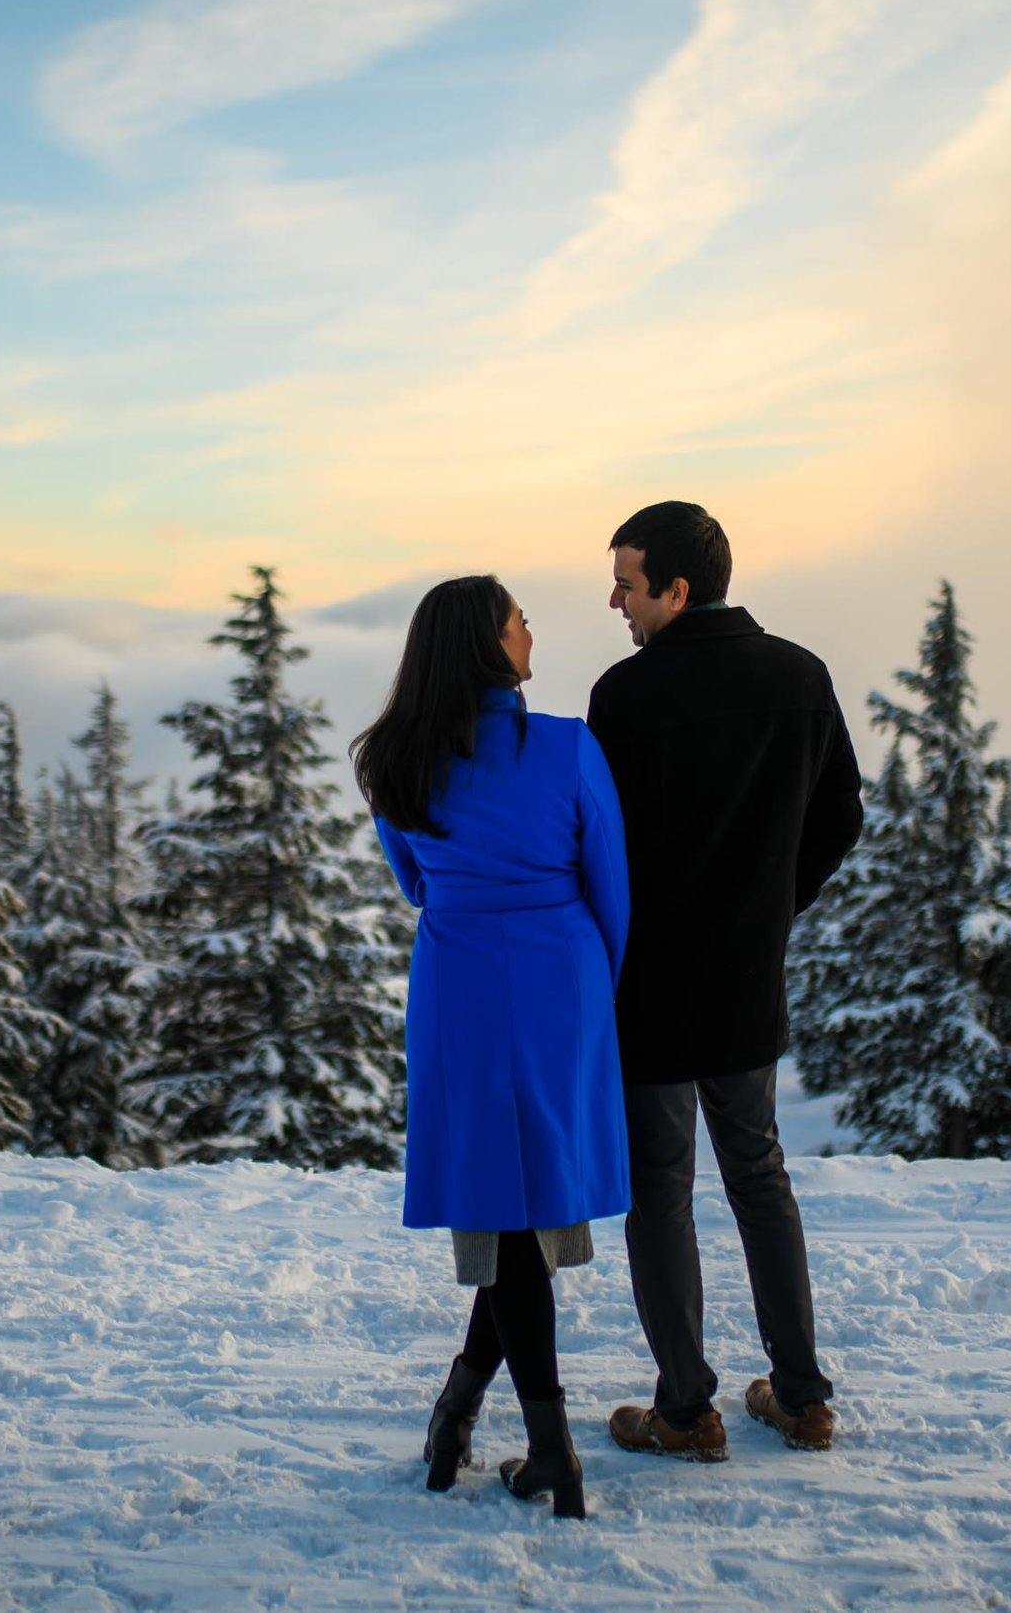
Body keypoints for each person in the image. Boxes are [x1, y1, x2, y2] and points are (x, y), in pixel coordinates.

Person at [585, 501, 863, 1459]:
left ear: (676, 587)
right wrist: (771, 911)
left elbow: (601, 846)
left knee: (661, 1191)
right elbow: (841, 819)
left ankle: (685, 1410)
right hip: (747, 979)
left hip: (651, 986)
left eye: (626, 581)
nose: (615, 600)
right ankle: (801, 1398)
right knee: (759, 1177)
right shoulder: (800, 676)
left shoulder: (623, 696)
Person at [353, 574, 631, 1520]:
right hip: (561, 978)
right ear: (486, 643)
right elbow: (611, 886)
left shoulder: (396, 760)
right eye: (517, 618)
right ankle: (550, 1451)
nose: (529, 628)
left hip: (461, 983)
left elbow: (413, 881)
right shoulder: (565, 745)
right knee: (531, 1209)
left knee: (506, 1214)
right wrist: (596, 988)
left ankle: (461, 1410)